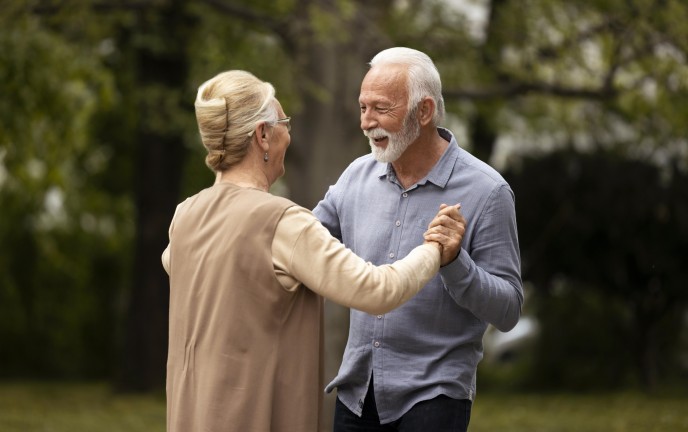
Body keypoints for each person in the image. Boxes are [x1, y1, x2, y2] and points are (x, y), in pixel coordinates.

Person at [161, 70, 465, 432]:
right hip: (255, 416)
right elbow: (377, 289)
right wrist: (435, 249)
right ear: (262, 135)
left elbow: (178, 265)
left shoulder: (185, 216)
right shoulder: (281, 222)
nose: (288, 134)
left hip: (193, 414)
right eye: (283, 122)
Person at [313, 47, 524, 431]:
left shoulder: (488, 191)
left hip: (435, 396)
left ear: (423, 112)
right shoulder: (355, 177)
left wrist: (456, 263)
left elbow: (508, 311)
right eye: (363, 108)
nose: (367, 122)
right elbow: (305, 241)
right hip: (356, 394)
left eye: (381, 108)